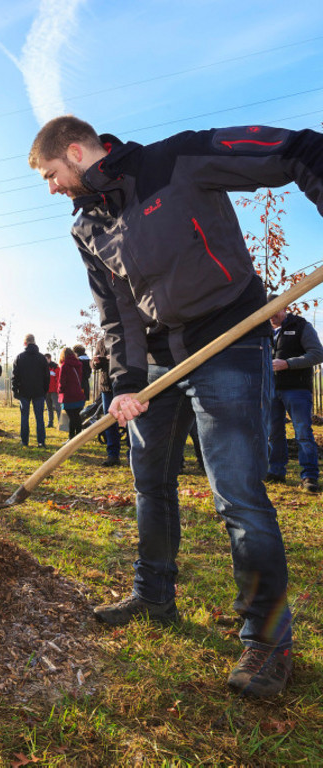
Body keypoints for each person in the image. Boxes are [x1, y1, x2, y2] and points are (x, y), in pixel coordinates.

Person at [28, 116, 323, 698]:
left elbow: (297, 150)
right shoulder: (88, 224)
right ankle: (154, 594)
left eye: (51, 174)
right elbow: (117, 312)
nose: (52, 187)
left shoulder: (175, 160)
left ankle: (266, 641)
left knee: (237, 492)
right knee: (150, 483)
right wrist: (126, 381)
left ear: (77, 150)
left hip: (229, 339)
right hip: (158, 366)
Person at [266, 295, 323, 492]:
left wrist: (288, 364)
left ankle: (309, 476)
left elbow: (317, 354)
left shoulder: (301, 326)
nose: (272, 316)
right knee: (273, 433)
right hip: (271, 389)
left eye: (275, 311)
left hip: (297, 390)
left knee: (303, 434)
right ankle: (276, 471)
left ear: (285, 308)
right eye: (268, 313)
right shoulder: (262, 330)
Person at [12, 334, 50, 448]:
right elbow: (47, 376)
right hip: (39, 391)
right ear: (34, 342)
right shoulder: (42, 358)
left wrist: (15, 390)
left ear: (25, 343)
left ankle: (24, 441)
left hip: (24, 392)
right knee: (39, 418)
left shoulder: (19, 357)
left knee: (24, 417)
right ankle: (41, 441)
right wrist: (44, 390)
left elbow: (15, 376)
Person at [91, 335, 122, 467]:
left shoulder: (122, 338)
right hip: (106, 387)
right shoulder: (100, 343)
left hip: (123, 385)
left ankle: (133, 454)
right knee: (109, 421)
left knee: (131, 420)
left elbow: (122, 358)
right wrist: (95, 362)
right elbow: (94, 365)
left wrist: (106, 359)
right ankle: (113, 454)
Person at [57, 347, 85, 439]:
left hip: (68, 396)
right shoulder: (79, 364)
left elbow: (62, 382)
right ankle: (79, 437)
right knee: (77, 417)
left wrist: (60, 391)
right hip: (78, 394)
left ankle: (72, 438)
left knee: (72, 418)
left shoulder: (64, 366)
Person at [44, 353, 61, 428]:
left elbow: (59, 379)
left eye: (46, 359)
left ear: (49, 359)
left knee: (57, 407)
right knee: (49, 407)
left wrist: (58, 390)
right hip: (46, 391)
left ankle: (60, 423)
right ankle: (50, 423)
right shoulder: (43, 367)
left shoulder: (55, 367)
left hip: (54, 391)